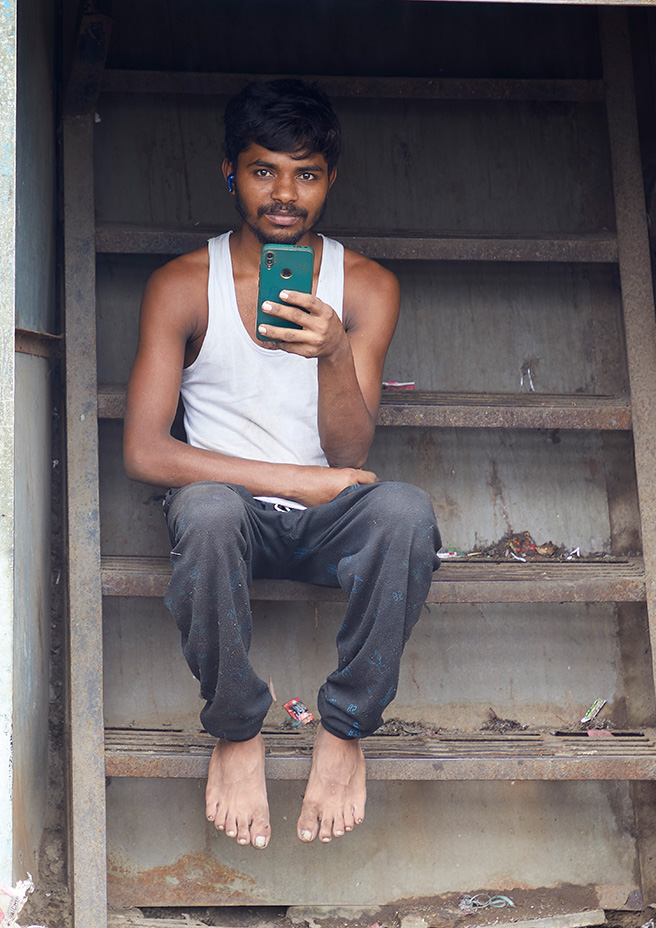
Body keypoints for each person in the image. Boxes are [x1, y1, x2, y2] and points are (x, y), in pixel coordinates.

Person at [123, 79, 441, 851]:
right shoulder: (181, 285)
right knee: (206, 510)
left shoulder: (366, 287)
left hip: (331, 520)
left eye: (307, 174)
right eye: (264, 170)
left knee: (405, 512)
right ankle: (237, 730)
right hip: (231, 521)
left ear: (331, 179)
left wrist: (333, 352)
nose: (285, 195)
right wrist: (295, 481)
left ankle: (345, 728)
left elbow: (350, 454)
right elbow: (144, 451)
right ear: (230, 172)